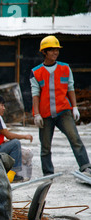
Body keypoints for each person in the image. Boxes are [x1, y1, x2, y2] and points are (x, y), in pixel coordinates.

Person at [30, 35, 91, 177]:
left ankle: (86, 167)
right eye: (52, 50)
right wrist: (36, 114)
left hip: (63, 112)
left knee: (75, 139)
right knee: (45, 147)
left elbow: (70, 88)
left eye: (57, 50)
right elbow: (35, 95)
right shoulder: (36, 72)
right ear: (44, 52)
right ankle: (48, 173)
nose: (55, 53)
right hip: (45, 115)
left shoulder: (65, 68)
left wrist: (74, 107)